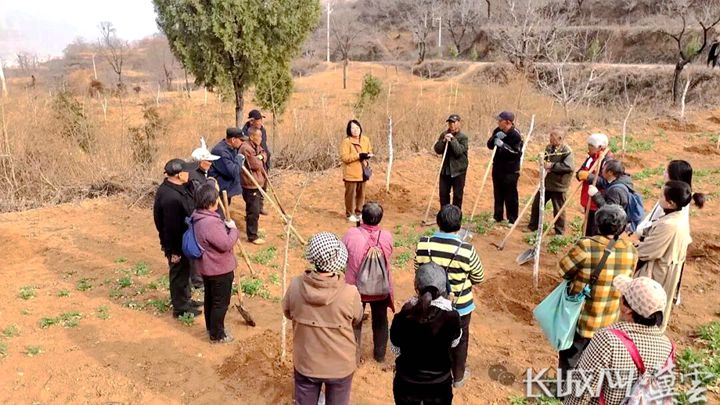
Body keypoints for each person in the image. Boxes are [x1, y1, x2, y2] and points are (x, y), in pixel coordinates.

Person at [565, 276, 673, 405]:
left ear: (627, 308)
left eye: (623, 296)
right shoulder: (667, 346)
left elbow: (580, 392)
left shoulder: (607, 340)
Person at [282, 232, 363, 405]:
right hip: (340, 366)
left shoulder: (295, 286)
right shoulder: (350, 293)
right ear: (338, 262)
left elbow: (287, 313)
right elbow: (357, 319)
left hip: (306, 363)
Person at [557, 204, 638, 373]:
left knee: (571, 358)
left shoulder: (586, 246)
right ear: (622, 228)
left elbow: (563, 270)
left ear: (598, 224)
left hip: (582, 317)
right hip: (610, 320)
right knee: (595, 364)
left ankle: (566, 387)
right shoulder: (630, 250)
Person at [414, 204, 485, 388]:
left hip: (430, 302)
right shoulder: (466, 250)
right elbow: (479, 277)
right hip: (459, 305)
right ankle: (458, 376)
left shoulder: (423, 244)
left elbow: (419, 272)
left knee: (431, 337)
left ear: (438, 222)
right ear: (459, 225)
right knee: (461, 339)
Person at [635, 181, 703, 332]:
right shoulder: (676, 218)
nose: (659, 199)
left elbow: (648, 251)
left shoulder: (669, 225)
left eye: (661, 196)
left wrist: (634, 247)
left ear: (671, 203)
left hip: (659, 272)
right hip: (667, 268)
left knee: (646, 309)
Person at [390, 262, 462, 405]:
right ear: (443, 290)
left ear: (416, 287)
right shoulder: (452, 317)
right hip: (439, 385)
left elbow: (395, 349)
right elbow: (455, 343)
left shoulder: (402, 316)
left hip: (406, 383)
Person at [341, 202, 394, 364]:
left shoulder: (351, 234)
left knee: (355, 321)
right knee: (380, 320)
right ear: (380, 219)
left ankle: (354, 357)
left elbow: (343, 256)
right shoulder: (386, 236)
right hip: (380, 287)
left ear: (362, 217)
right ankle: (379, 356)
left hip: (356, 289)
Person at [190, 184, 239, 343]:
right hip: (219, 269)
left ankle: (211, 328)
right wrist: (233, 230)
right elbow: (225, 244)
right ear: (211, 202)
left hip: (207, 268)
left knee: (210, 299)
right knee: (220, 303)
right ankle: (217, 335)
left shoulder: (197, 216)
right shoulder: (210, 223)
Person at [153, 158, 201, 318]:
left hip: (184, 240)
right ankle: (180, 308)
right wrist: (173, 251)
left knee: (185, 272)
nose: (190, 174)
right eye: (187, 172)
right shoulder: (170, 198)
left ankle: (186, 300)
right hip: (176, 244)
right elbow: (170, 228)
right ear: (179, 175)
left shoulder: (177, 188)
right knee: (178, 274)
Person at [187, 137, 222, 289]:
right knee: (197, 247)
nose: (211, 163)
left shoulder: (200, 173)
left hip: (199, 215)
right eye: (208, 161)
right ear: (201, 161)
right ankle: (197, 279)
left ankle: (201, 275)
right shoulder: (193, 177)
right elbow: (202, 196)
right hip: (195, 216)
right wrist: (211, 185)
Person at [529, 128, 574, 235]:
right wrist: (543, 163)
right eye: (550, 135)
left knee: (558, 209)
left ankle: (559, 232)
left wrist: (552, 166)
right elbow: (546, 160)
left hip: (559, 185)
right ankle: (533, 226)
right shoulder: (549, 148)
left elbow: (569, 167)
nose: (550, 138)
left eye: (552, 136)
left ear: (560, 138)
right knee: (537, 204)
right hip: (546, 183)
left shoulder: (567, 151)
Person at [487, 111, 523, 224]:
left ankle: (512, 219)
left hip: (511, 170)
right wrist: (494, 138)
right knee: (498, 193)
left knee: (510, 195)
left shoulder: (516, 135)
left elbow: (516, 153)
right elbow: (489, 145)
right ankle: (497, 216)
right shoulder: (498, 131)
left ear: (507, 122)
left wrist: (503, 146)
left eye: (500, 120)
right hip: (498, 168)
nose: (498, 122)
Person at [576, 133, 613, 236]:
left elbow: (607, 182)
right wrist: (580, 175)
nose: (589, 147)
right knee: (587, 226)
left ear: (600, 147)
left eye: (591, 146)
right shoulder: (591, 158)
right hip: (587, 198)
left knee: (594, 229)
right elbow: (580, 172)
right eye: (589, 145)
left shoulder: (607, 161)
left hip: (597, 201)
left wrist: (589, 177)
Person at [433, 114, 469, 211]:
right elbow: (437, 149)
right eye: (450, 122)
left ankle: (456, 214)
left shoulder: (463, 137)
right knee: (443, 193)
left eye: (453, 122)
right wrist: (443, 141)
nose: (451, 125)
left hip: (458, 170)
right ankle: (445, 214)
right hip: (445, 170)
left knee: (457, 195)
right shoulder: (444, 134)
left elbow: (458, 152)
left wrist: (453, 140)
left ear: (458, 123)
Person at [340, 119, 373, 222]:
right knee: (350, 195)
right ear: (349, 130)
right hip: (351, 173)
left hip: (363, 172)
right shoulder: (346, 142)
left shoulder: (365, 139)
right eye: (353, 128)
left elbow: (369, 150)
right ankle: (349, 214)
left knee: (361, 194)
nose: (356, 130)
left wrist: (367, 155)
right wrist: (358, 155)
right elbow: (345, 158)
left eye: (357, 127)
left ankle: (359, 212)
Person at [239, 126, 268, 245]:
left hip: (258, 182)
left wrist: (260, 157)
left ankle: (254, 229)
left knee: (254, 209)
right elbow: (255, 164)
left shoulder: (255, 146)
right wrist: (260, 158)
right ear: (251, 137)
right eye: (259, 136)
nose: (261, 138)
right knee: (253, 211)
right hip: (250, 184)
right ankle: (252, 236)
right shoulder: (246, 148)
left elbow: (264, 154)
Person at [242, 109, 271, 215]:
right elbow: (249, 152)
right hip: (251, 165)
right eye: (258, 120)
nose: (260, 122)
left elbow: (263, 147)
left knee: (263, 184)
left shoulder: (262, 130)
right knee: (251, 188)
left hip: (263, 161)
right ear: (251, 121)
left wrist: (264, 156)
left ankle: (260, 206)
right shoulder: (245, 133)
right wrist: (259, 157)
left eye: (261, 120)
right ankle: (251, 210)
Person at [208, 128, 246, 206]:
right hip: (219, 190)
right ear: (233, 139)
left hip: (226, 188)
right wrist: (239, 158)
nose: (242, 142)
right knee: (219, 210)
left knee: (226, 206)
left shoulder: (232, 147)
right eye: (241, 140)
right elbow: (233, 172)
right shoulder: (220, 152)